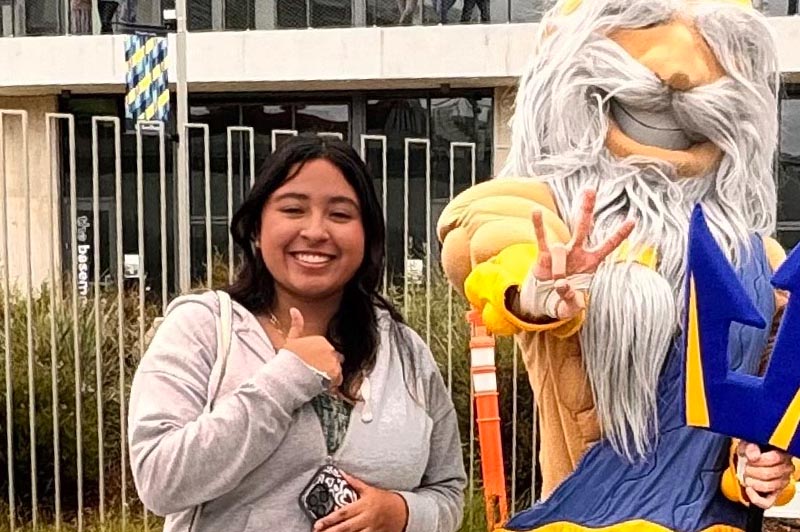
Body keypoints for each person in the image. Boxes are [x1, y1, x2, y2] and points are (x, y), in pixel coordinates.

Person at [437, 0, 797, 530]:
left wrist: (757, 467)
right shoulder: (546, 208)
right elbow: (484, 240)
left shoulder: (755, 257)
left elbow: (757, 418)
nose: (677, 74)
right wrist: (536, 292)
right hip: (582, 516)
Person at [128, 134, 466, 532]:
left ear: (367, 236)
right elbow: (158, 480)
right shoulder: (201, 329)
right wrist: (286, 380)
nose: (316, 231)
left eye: (340, 215)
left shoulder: (404, 349)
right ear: (256, 227)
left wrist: (401, 513)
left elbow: (447, 490)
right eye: (293, 209)